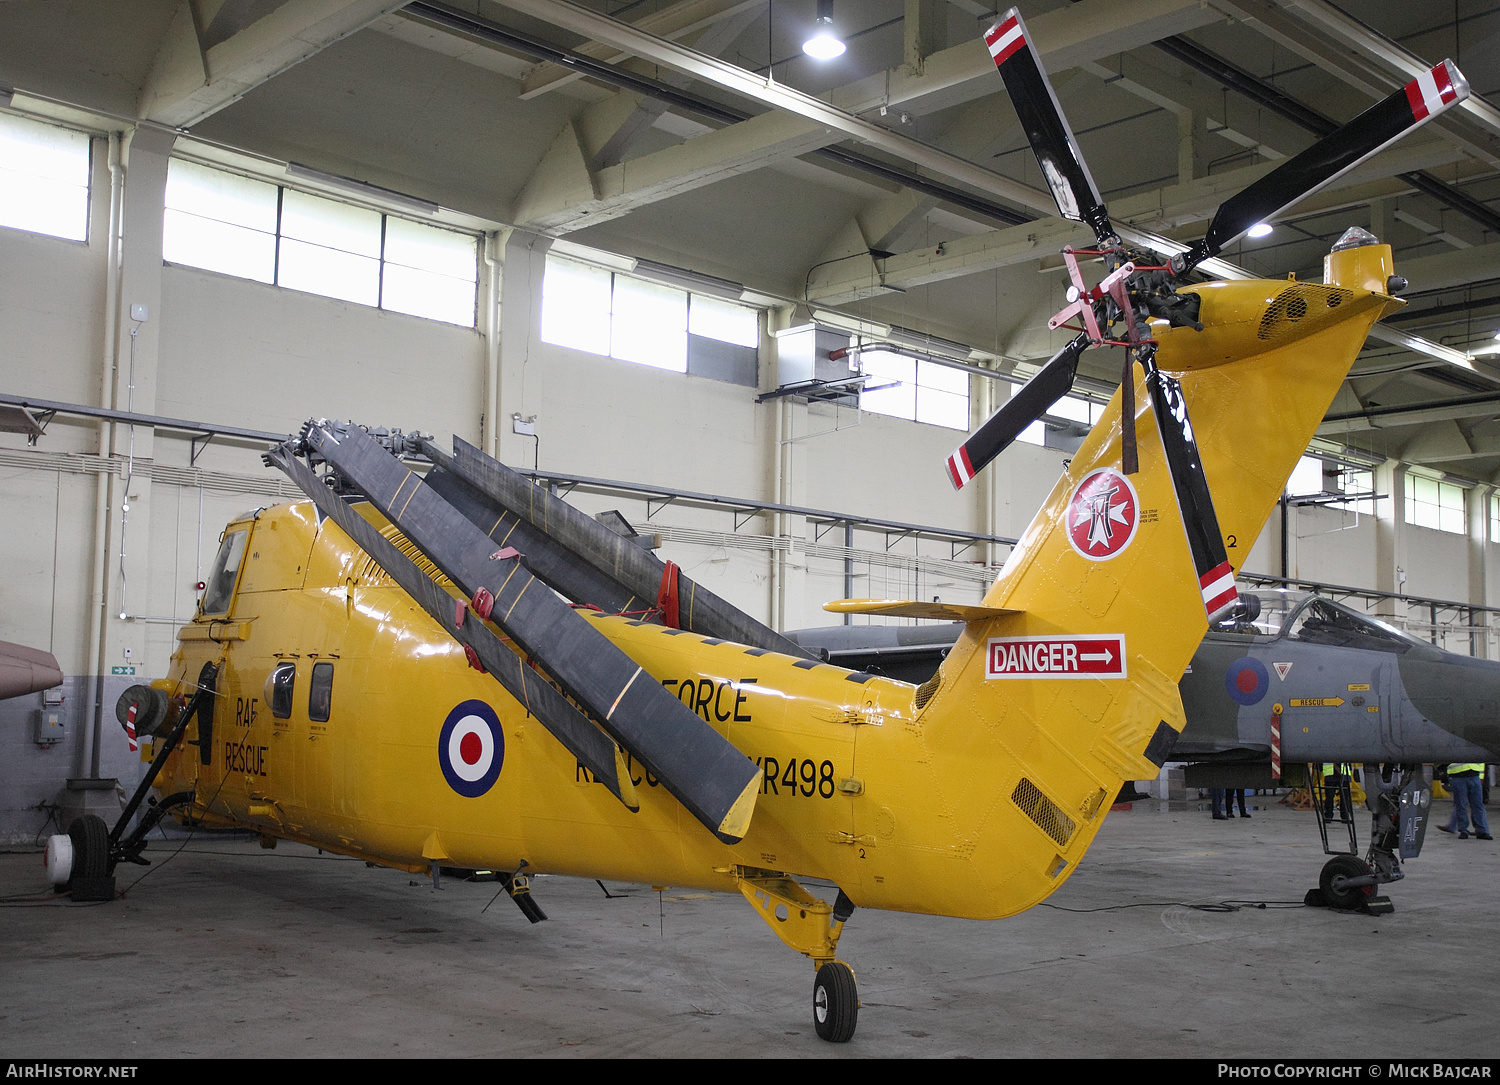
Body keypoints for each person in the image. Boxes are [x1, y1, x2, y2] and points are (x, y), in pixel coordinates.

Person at [1437, 763, 1493, 840]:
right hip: (1458, 776)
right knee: (1462, 805)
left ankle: (1481, 831)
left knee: (1476, 805)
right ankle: (1464, 830)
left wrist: (1481, 777)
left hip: (1473, 775)